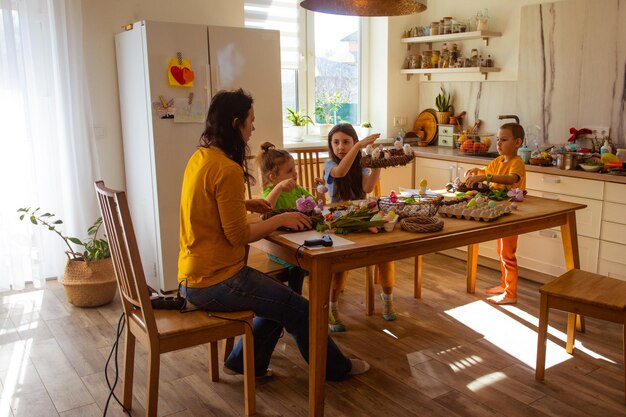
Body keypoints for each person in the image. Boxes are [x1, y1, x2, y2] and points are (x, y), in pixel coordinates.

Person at [178, 89, 369, 380]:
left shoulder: (200, 158)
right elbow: (239, 235)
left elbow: (203, 205)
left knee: (280, 299)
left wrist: (243, 203)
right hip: (216, 279)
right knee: (299, 308)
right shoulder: (227, 169)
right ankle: (336, 370)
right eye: (250, 122)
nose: (253, 128)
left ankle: (243, 362)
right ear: (235, 124)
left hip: (192, 273)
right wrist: (281, 217)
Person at [324, 123, 397, 332]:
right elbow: (340, 172)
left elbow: (367, 188)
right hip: (339, 220)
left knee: (385, 251)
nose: (341, 147)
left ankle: (388, 298)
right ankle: (332, 307)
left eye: (346, 142)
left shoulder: (361, 164)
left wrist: (377, 164)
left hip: (362, 216)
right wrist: (357, 147)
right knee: (340, 263)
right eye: (336, 142)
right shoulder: (330, 165)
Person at [465, 122, 527, 305]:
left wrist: (486, 177)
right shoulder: (499, 161)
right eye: (498, 140)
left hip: (511, 214)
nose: (498, 144)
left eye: (504, 140)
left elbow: (510, 179)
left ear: (517, 143)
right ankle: (505, 286)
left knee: (508, 253)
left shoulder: (517, 163)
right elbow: (486, 170)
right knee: (501, 251)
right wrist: (477, 171)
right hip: (499, 212)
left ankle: (511, 293)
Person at [256, 142, 324, 294]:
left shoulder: (297, 189)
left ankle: (318, 299)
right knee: (298, 265)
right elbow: (266, 209)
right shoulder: (270, 192)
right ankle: (295, 297)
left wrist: (319, 192)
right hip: (279, 247)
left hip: (298, 241)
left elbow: (316, 206)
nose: (295, 174)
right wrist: (279, 188)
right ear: (273, 177)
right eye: (289, 171)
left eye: (295, 169)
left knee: (319, 260)